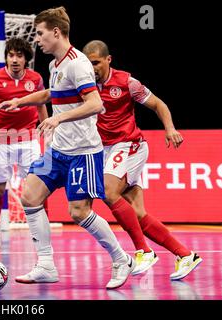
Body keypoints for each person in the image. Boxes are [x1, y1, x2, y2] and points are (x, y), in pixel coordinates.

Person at [0, 7, 135, 289]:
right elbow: (51, 94)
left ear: (56, 32)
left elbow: (96, 104)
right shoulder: (55, 64)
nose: (37, 40)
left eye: (40, 33)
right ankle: (46, 264)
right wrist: (19, 102)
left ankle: (121, 259)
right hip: (59, 151)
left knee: (79, 212)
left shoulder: (78, 64)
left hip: (83, 152)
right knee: (31, 196)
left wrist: (58, 117)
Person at [82, 40, 202, 280]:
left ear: (108, 60)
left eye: (95, 62)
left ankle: (143, 251)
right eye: (88, 63)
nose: (92, 67)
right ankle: (185, 254)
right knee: (136, 213)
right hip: (105, 150)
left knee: (107, 191)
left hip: (130, 145)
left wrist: (169, 128)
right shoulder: (86, 85)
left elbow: (158, 104)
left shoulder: (127, 82)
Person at [0, 37, 48, 250]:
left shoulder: (35, 79)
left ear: (26, 59)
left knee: (38, 189)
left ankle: (40, 233)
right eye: (11, 55)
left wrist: (47, 129)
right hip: (0, 142)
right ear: (6, 57)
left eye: (19, 55)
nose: (15, 59)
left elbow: (41, 104)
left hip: (28, 141)